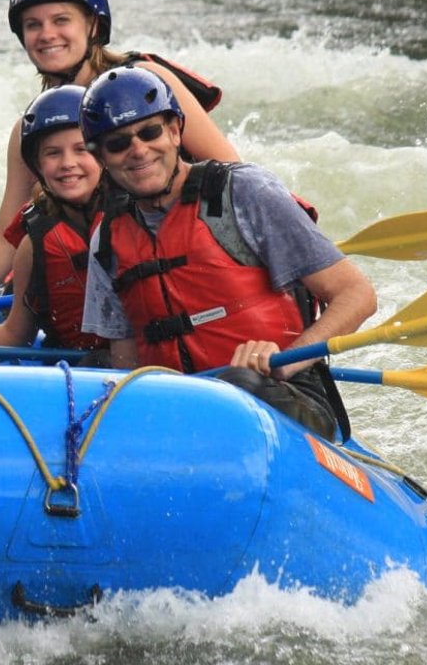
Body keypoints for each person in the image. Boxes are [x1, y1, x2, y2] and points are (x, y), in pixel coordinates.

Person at [0, 0, 239, 329]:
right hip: (106, 269)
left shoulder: (146, 83)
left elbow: (232, 175)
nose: (46, 34)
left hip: (180, 260)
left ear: (92, 25)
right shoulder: (33, 128)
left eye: (61, 20)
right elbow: (6, 237)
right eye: (33, 25)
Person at [77, 67, 377, 438]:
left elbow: (357, 295)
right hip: (184, 414)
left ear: (174, 131)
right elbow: (126, 365)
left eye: (149, 132)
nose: (138, 150)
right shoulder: (106, 239)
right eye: (118, 143)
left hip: (284, 396)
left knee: (240, 386)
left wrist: (284, 363)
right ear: (103, 158)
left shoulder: (244, 192)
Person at [0, 85, 110, 362]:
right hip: (78, 372)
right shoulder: (34, 244)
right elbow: (15, 333)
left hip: (139, 369)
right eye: (53, 153)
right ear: (36, 166)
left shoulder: (136, 220)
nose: (67, 163)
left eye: (81, 149)